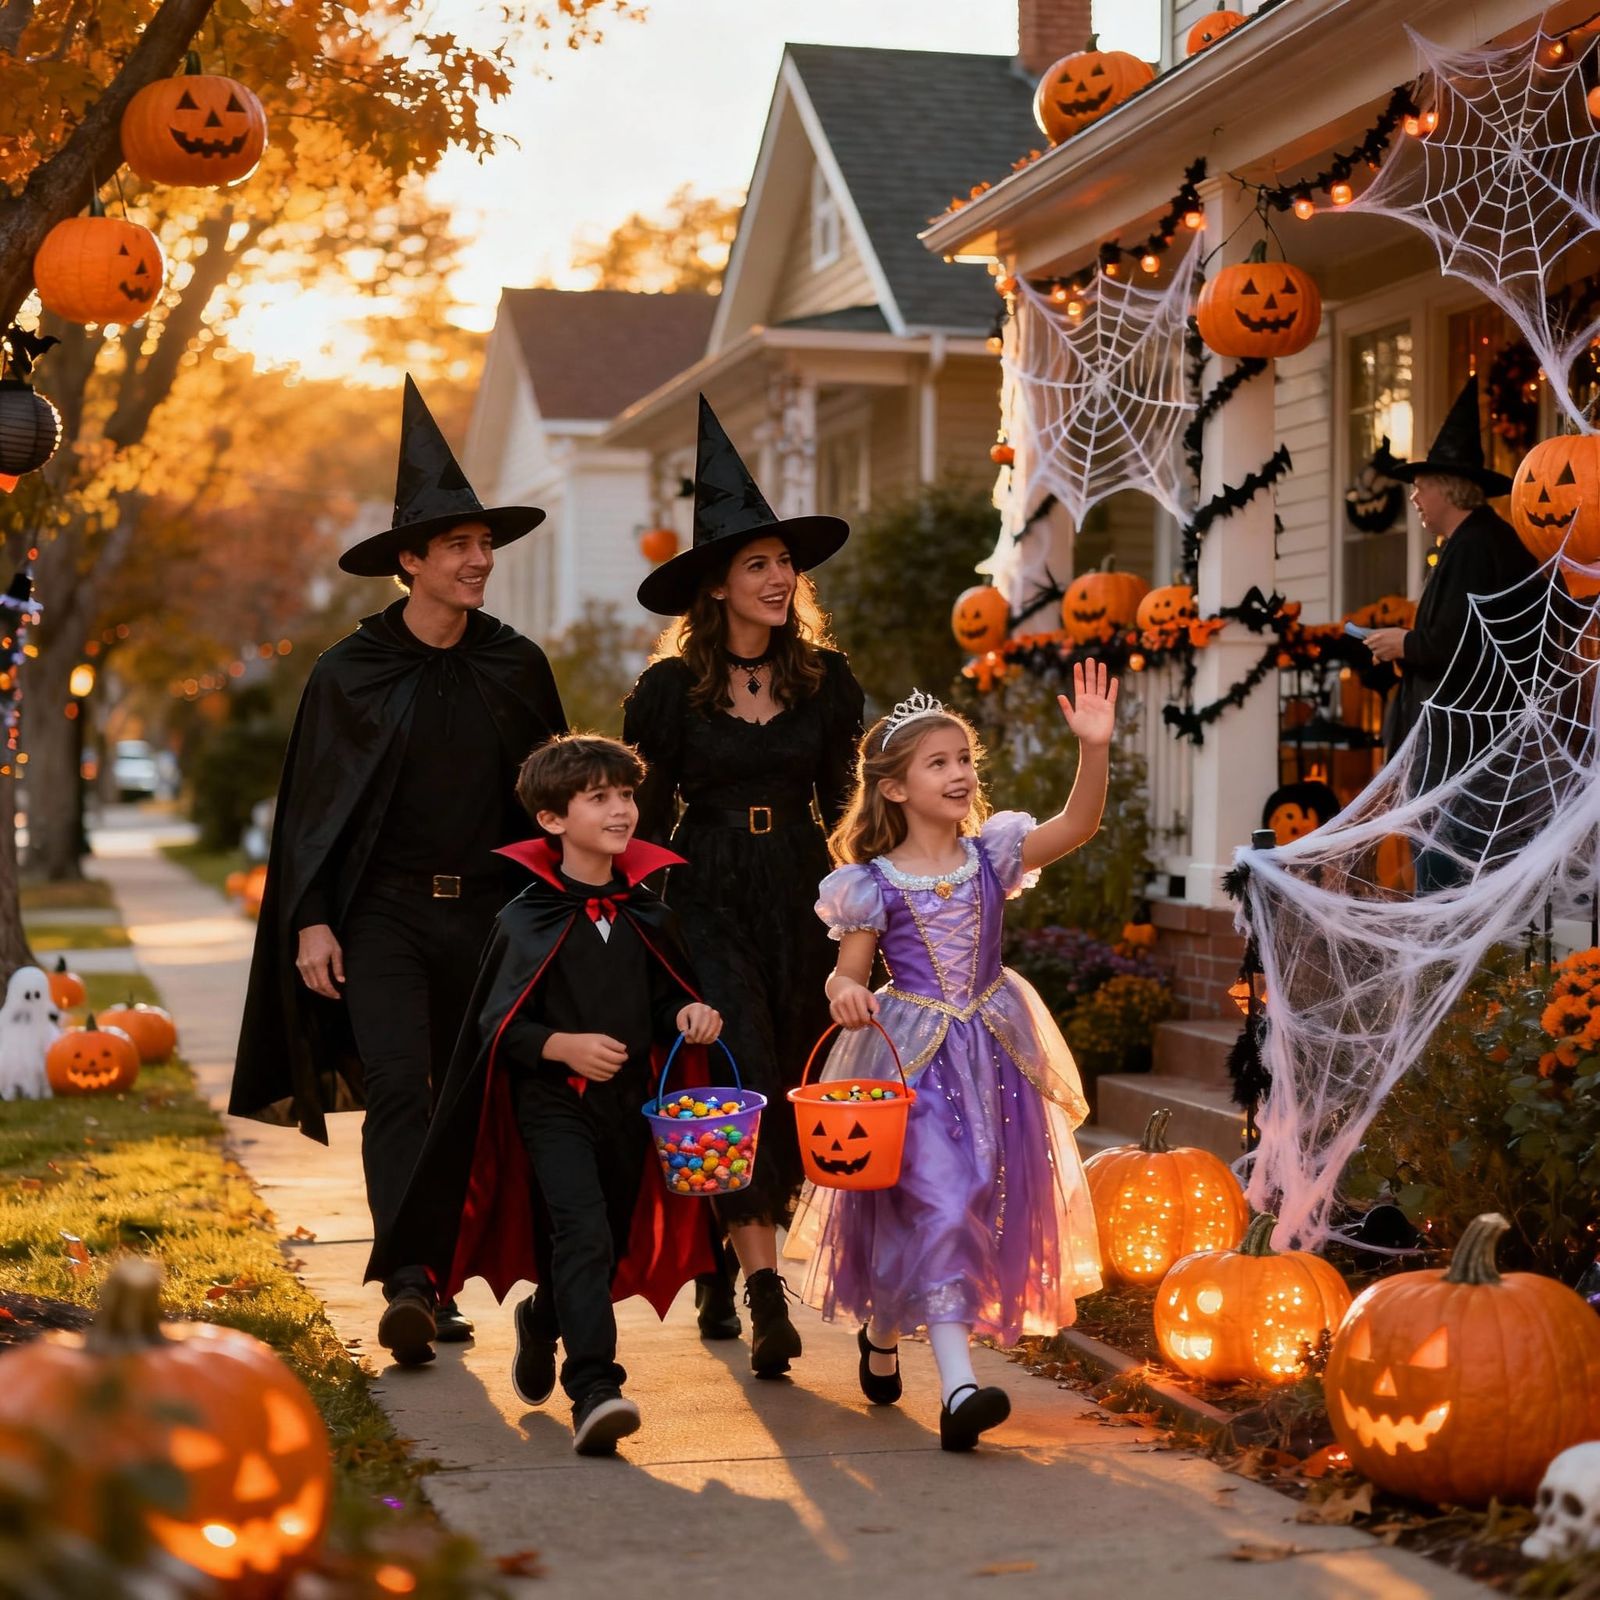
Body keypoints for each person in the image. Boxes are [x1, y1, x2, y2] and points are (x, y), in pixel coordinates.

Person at [230, 376, 567, 1366]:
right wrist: (313, 919)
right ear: (409, 562)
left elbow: (553, 801)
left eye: (483, 545)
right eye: (456, 546)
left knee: (472, 1098)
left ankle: (444, 1271)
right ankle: (411, 1282)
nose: (477, 560)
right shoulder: (348, 672)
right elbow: (312, 815)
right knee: (397, 1088)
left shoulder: (516, 664)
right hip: (381, 916)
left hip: (494, 919)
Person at [367, 733, 721, 1454]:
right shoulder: (523, 918)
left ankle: (543, 1319)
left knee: (606, 1240)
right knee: (582, 1232)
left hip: (631, 1110)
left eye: (626, 794)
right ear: (553, 820)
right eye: (600, 798)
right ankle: (596, 1387)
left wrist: (687, 1014)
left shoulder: (649, 914)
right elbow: (498, 1026)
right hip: (550, 1106)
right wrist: (561, 1047)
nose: (622, 810)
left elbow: (664, 1000)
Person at [797, 672, 1110, 1451]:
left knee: (977, 1198)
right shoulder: (871, 885)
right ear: (896, 788)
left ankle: (883, 1330)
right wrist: (843, 991)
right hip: (910, 1056)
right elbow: (850, 968)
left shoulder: (991, 858)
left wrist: (1094, 751)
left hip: (994, 1052)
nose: (959, 772)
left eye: (963, 757)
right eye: (937, 763)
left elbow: (1077, 823)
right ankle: (960, 1390)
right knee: (937, 1200)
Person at [622, 395, 864, 1377]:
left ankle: (736, 1249)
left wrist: (875, 906)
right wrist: (641, 925)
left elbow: (852, 808)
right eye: (757, 563)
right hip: (707, 890)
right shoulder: (667, 693)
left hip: (806, 890)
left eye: (784, 563)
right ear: (715, 585)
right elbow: (639, 818)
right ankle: (766, 1294)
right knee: (745, 1078)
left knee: (809, 1082)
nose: (778, 578)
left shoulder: (828, 680)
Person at [1364, 377, 1537, 888]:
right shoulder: (1467, 544)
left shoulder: (1477, 546)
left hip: (1462, 754)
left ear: (1447, 487)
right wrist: (1405, 648)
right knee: (1443, 873)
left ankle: (1454, 971)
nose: (1414, 496)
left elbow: (1466, 645)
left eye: (1421, 485)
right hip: (1454, 749)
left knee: (1447, 878)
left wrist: (1406, 643)